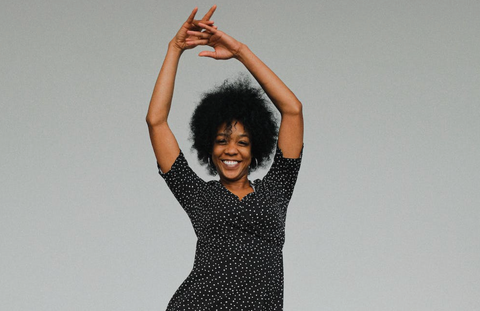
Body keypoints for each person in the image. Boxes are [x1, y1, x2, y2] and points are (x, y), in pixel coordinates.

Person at [146, 5, 304, 311]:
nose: (231, 150)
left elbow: (292, 110)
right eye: (221, 141)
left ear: (255, 147)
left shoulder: (277, 189)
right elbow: (156, 122)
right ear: (209, 146)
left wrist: (240, 52)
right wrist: (175, 49)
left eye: (242, 142)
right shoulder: (198, 196)